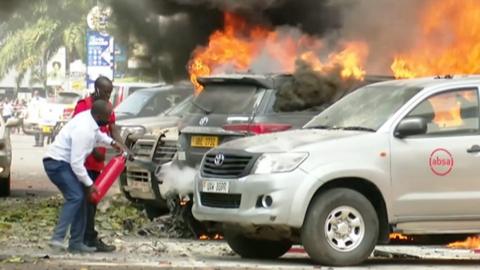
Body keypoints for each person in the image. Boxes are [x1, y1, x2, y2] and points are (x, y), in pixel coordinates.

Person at [43, 100, 122, 253]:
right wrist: (89, 184)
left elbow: (98, 134)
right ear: (99, 116)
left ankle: (76, 243)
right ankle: (57, 238)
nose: (109, 120)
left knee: (81, 199)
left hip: (64, 163)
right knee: (76, 197)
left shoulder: (89, 118)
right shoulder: (84, 130)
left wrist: (112, 143)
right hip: (57, 164)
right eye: (107, 117)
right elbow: (77, 164)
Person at [72, 76, 129, 252]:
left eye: (110, 93)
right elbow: (77, 131)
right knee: (85, 202)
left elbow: (113, 130)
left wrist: (124, 148)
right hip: (83, 163)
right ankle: (86, 239)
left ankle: (86, 238)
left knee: (92, 202)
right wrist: (92, 148)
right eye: (105, 92)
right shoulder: (83, 105)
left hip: (97, 164)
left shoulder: (107, 108)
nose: (108, 96)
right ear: (96, 89)